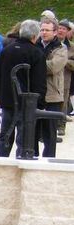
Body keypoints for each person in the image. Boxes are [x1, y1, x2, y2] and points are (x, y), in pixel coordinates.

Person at [0, 20, 47, 157]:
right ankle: (21, 163)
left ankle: (1, 163)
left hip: (7, 99)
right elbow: (39, 81)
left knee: (5, 136)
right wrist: (40, 102)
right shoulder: (36, 53)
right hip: (27, 102)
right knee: (24, 139)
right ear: (35, 36)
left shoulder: (7, 50)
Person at [36, 17, 67, 157]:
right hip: (35, 95)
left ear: (55, 32)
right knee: (33, 133)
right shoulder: (34, 45)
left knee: (49, 134)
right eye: (42, 30)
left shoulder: (61, 48)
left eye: (47, 30)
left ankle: (48, 160)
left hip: (52, 95)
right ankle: (33, 160)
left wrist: (35, 63)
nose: (43, 33)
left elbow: (53, 67)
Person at [57, 19, 74, 135]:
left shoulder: (72, 47)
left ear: (68, 31)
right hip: (51, 79)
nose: (61, 30)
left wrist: (63, 61)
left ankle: (61, 126)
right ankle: (49, 125)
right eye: (59, 28)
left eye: (63, 29)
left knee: (63, 103)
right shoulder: (52, 43)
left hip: (65, 78)